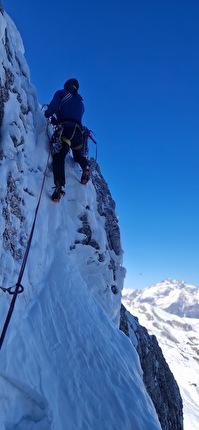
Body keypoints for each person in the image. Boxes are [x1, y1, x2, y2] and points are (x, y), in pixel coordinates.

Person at [44, 78, 90, 201]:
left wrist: (48, 114)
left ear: (67, 85)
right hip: (78, 133)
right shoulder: (81, 102)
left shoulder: (61, 93)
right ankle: (85, 167)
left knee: (60, 156)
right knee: (77, 155)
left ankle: (59, 186)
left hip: (66, 130)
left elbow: (53, 108)